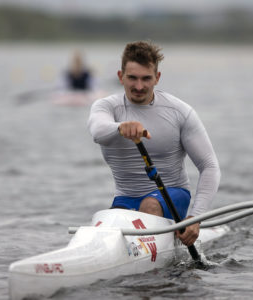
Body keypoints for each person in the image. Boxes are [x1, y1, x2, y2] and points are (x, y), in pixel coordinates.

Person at [87, 41, 221, 247]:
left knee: (149, 205)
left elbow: (209, 166)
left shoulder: (180, 112)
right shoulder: (106, 107)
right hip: (125, 199)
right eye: (132, 78)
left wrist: (196, 218)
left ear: (157, 78)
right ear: (120, 77)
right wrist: (121, 128)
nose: (139, 86)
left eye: (146, 78)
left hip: (171, 195)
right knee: (110, 222)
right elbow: (97, 131)